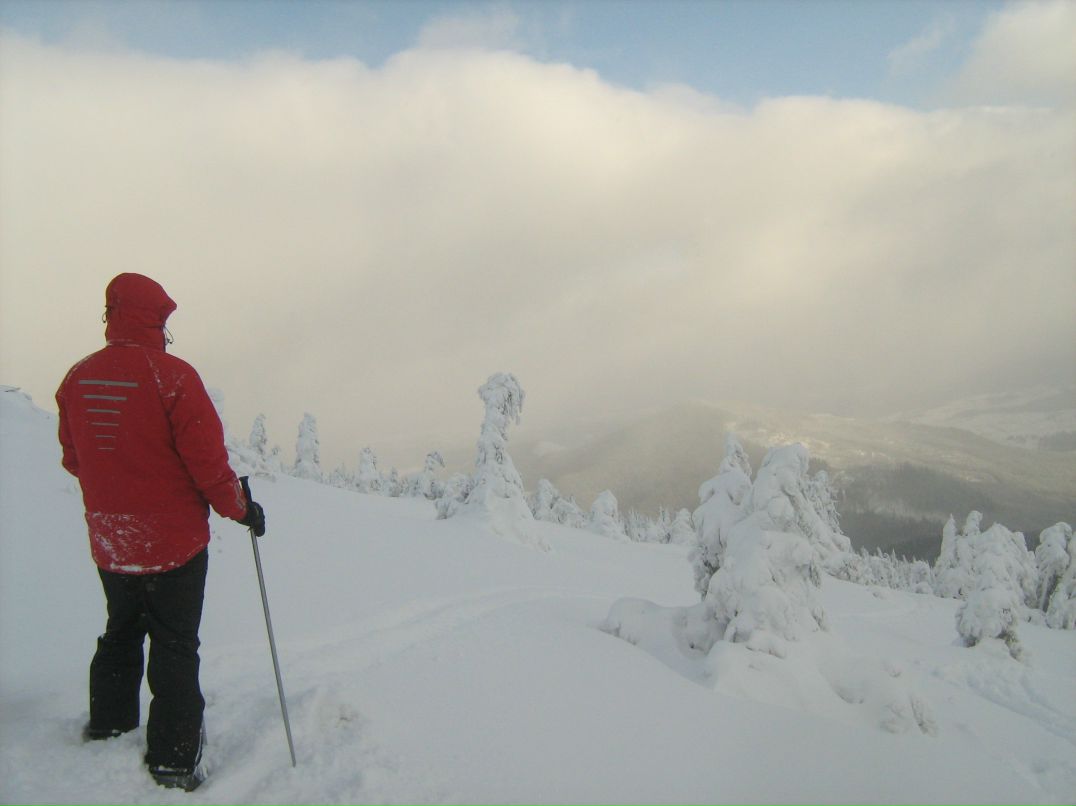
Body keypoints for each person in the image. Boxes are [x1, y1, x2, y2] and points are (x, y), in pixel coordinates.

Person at [56, 272, 266, 792]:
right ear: (154, 318)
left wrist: (116, 493)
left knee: (121, 631)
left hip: (111, 540)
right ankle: (172, 761)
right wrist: (241, 510)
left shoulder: (77, 378)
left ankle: (109, 727)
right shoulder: (172, 377)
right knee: (174, 644)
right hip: (173, 544)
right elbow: (208, 467)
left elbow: (73, 458)